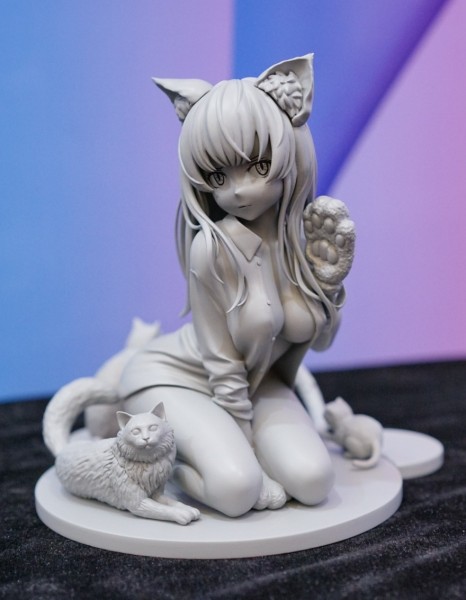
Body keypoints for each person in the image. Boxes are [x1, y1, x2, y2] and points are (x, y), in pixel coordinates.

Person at [117, 54, 355, 517]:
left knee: (314, 481)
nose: (238, 190)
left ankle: (223, 455)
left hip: (259, 385)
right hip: (181, 378)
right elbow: (222, 363)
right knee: (236, 490)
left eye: (258, 166)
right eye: (217, 176)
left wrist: (329, 286)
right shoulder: (212, 249)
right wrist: (251, 459)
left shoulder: (303, 241)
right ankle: (161, 464)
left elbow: (320, 341)